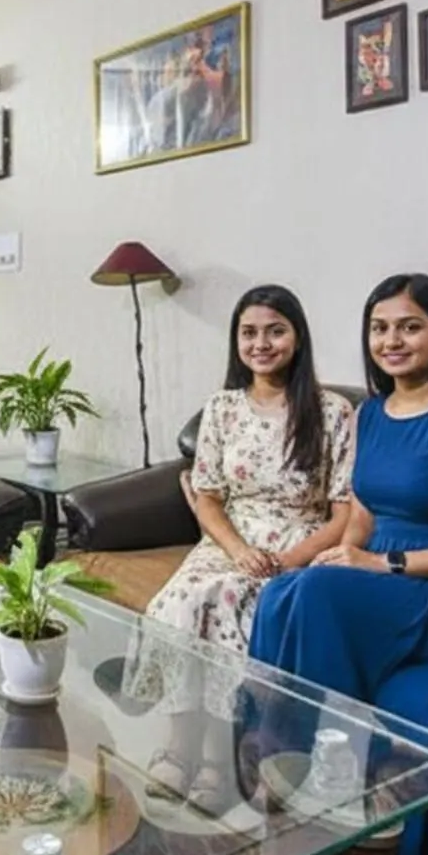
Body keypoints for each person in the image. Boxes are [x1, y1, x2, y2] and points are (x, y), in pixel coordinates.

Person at [247, 273, 428, 855]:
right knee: (284, 592)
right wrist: (327, 553)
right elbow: (363, 517)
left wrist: (385, 564)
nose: (392, 340)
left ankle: (317, 787)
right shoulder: (372, 414)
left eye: (409, 326)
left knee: (317, 599)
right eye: (380, 328)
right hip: (390, 574)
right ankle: (276, 772)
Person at [123, 284, 355, 809]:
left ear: (297, 337)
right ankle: (178, 746)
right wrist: (235, 549)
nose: (261, 344)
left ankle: (214, 760)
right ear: (237, 342)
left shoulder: (333, 411)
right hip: (230, 538)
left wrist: (290, 560)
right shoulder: (222, 408)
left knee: (227, 600)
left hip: (298, 543)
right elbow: (206, 497)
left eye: (275, 331)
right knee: (175, 604)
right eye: (249, 333)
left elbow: (343, 512)